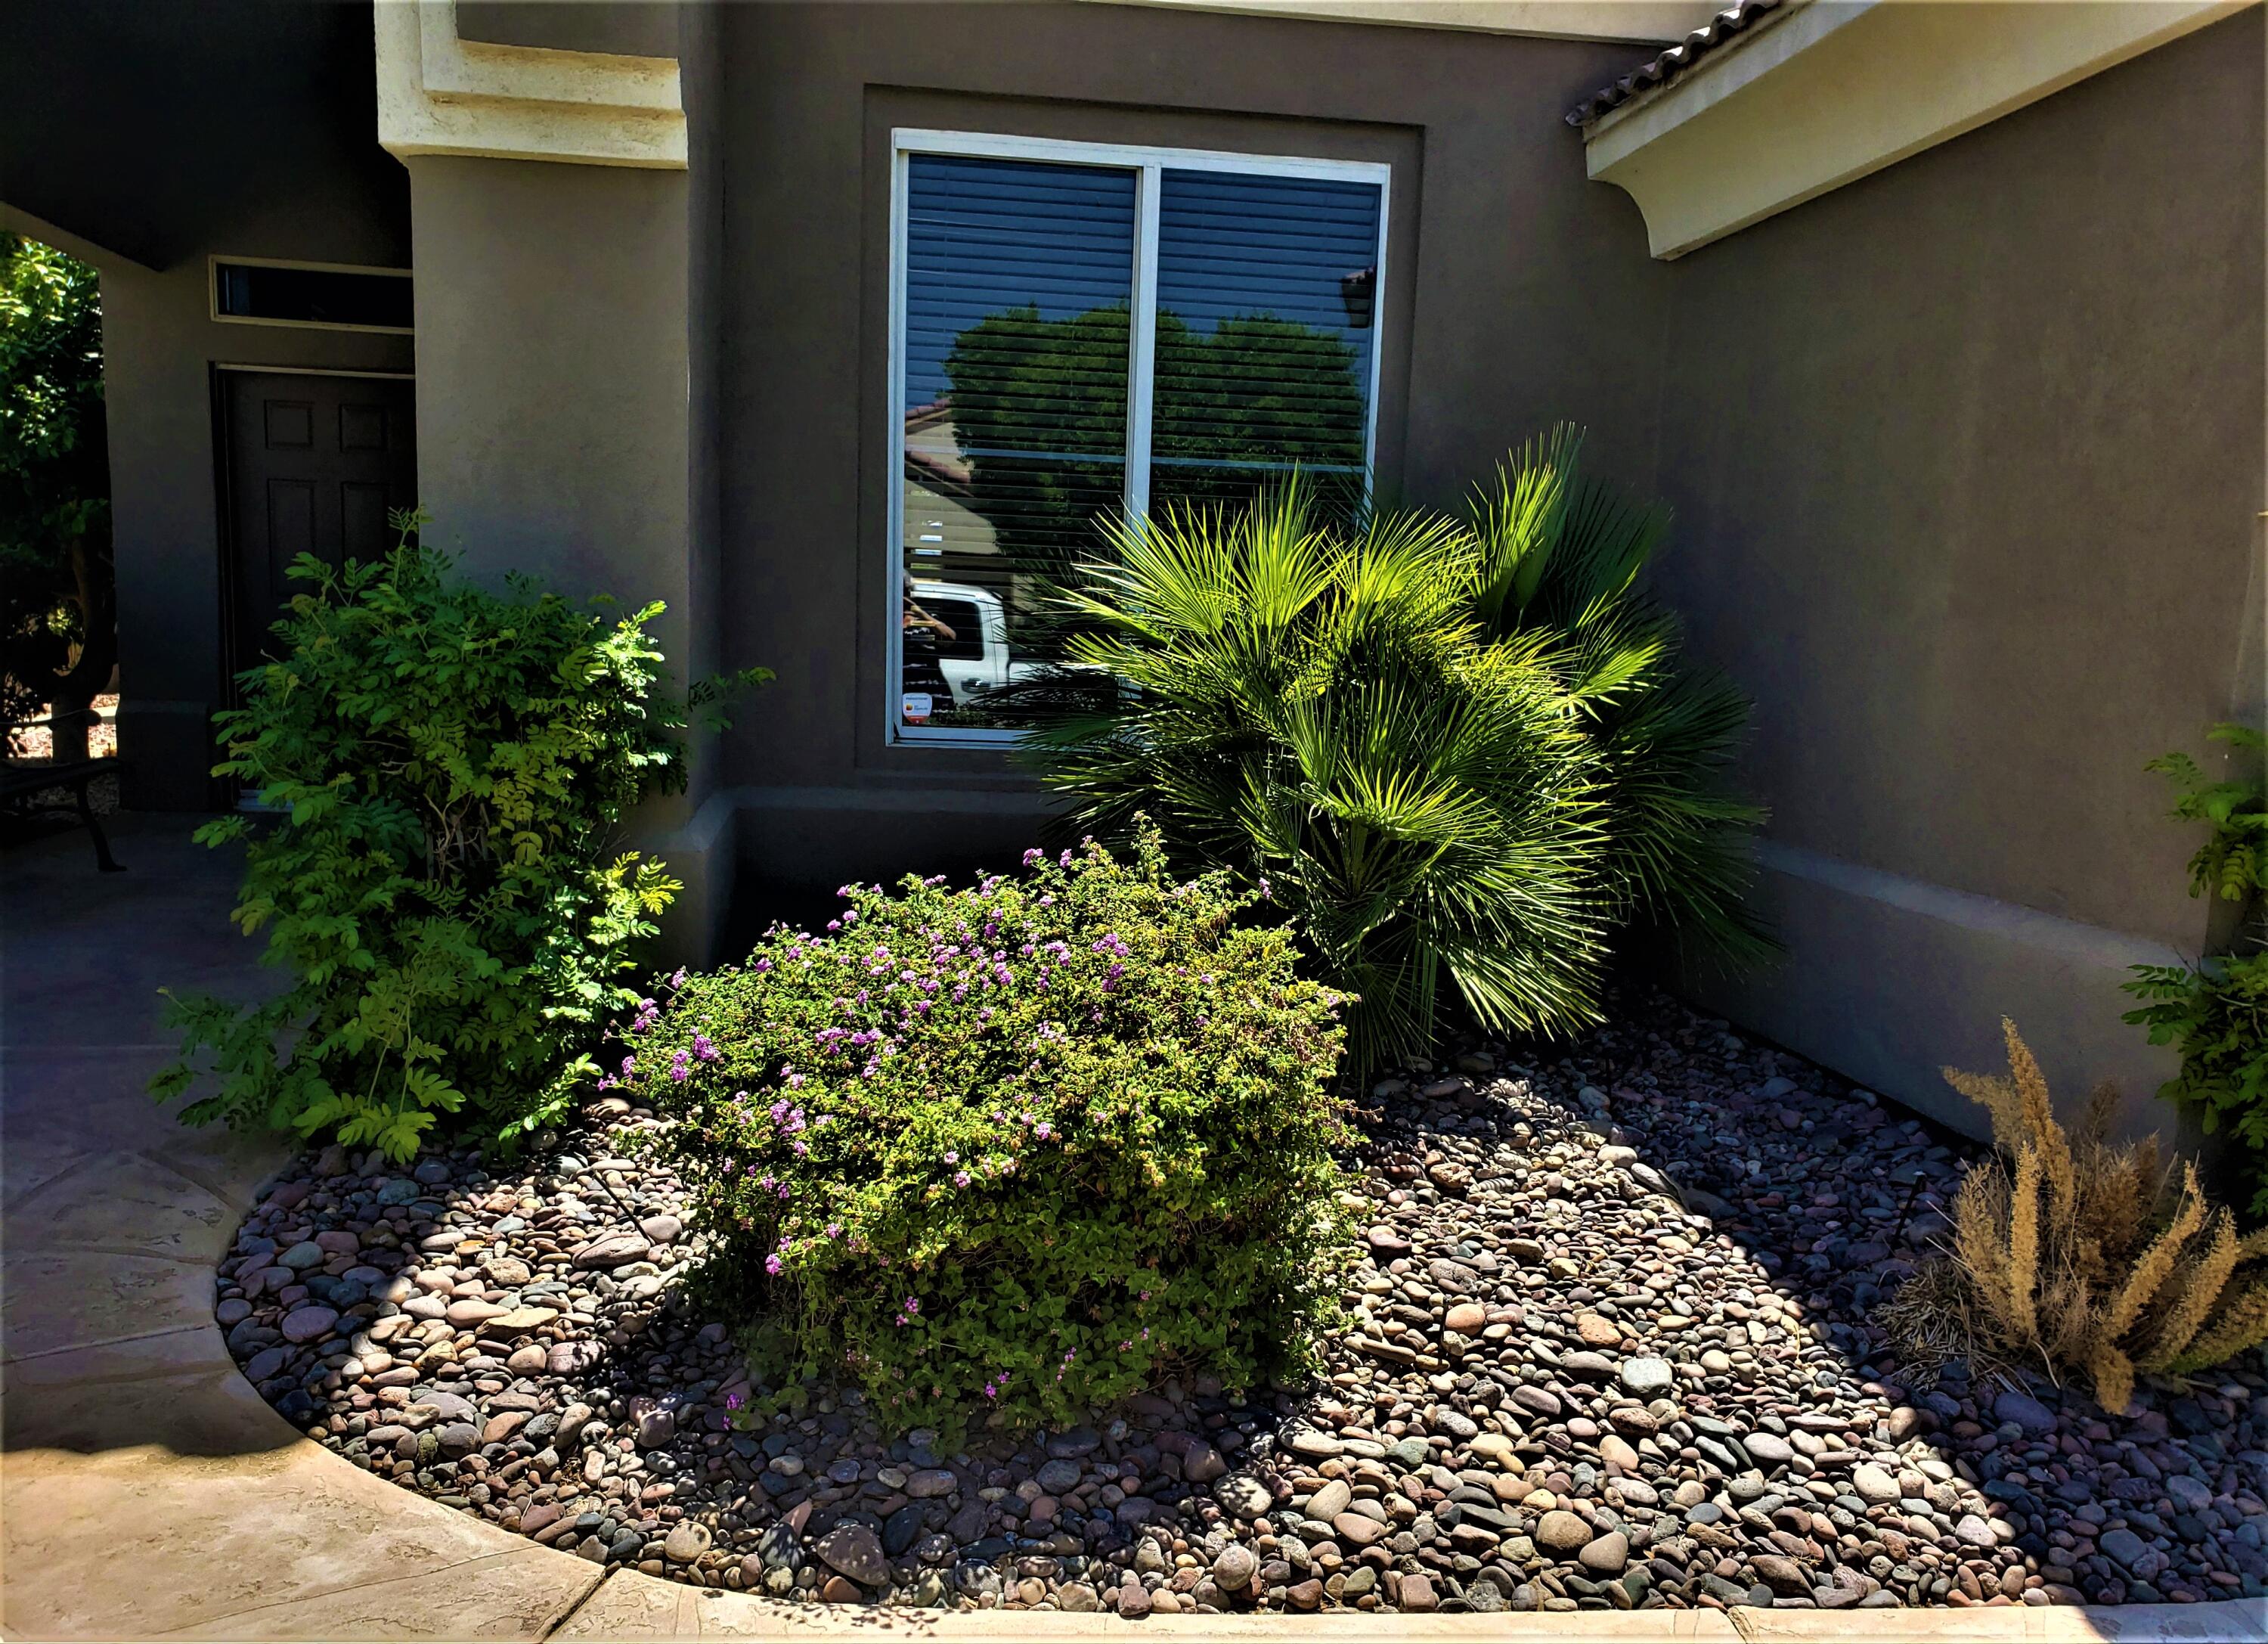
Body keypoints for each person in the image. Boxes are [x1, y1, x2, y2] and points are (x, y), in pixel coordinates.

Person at [900, 572, 956, 713]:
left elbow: (949, 638)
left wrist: (919, 612)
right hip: (899, 695)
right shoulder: (886, 622)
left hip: (931, 696)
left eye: (906, 591)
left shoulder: (926, 621)